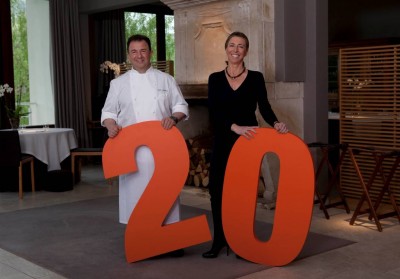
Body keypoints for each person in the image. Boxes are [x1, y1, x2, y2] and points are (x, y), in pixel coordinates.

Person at [202, 31, 289, 259]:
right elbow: (214, 113)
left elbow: (265, 107)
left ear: (246, 51)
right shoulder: (215, 79)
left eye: (241, 46)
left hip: (249, 141)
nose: (236, 49)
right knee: (217, 190)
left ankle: (240, 240)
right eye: (232, 45)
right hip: (224, 138)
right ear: (226, 48)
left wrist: (276, 123)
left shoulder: (256, 78)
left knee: (243, 191)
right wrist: (234, 127)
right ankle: (219, 240)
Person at [101, 34, 188, 256]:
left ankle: (168, 240)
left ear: (150, 52)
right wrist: (111, 126)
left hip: (162, 150)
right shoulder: (118, 83)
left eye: (143, 51)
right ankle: (141, 239)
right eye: (134, 52)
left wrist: (174, 118)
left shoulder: (166, 80)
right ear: (129, 55)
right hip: (132, 152)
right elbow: (109, 112)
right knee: (136, 194)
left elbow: (181, 106)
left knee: (165, 194)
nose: (139, 55)